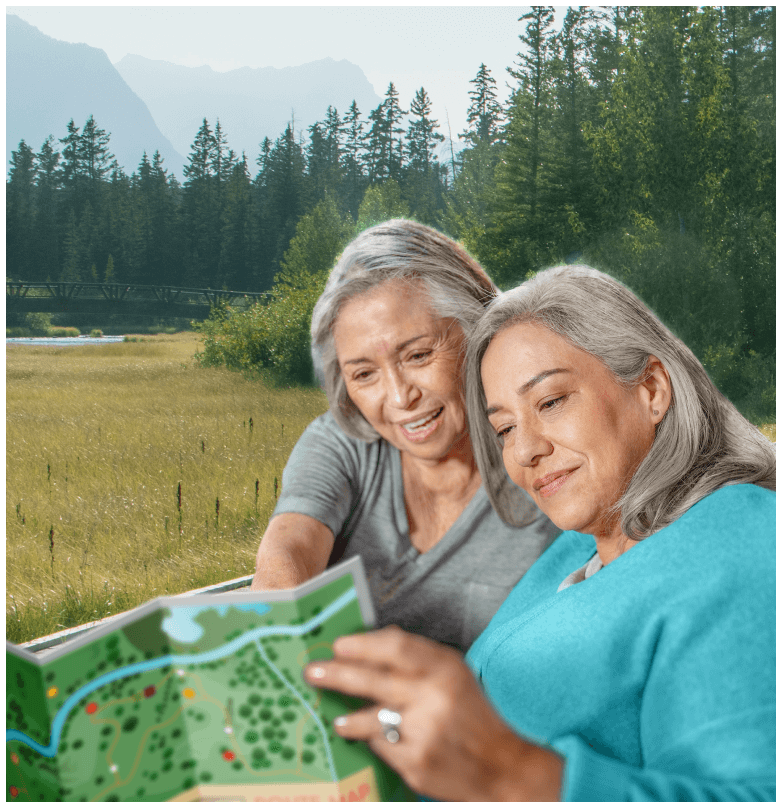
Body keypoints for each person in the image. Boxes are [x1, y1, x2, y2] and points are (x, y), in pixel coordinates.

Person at [303, 264, 775, 801]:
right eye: (504, 428)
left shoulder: (740, 540)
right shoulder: (580, 547)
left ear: (651, 388)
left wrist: (511, 774)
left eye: (550, 401)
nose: (523, 451)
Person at [251, 219, 558, 653]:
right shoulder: (340, 444)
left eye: (418, 355)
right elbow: (288, 552)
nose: (399, 397)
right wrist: (278, 618)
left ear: (478, 334)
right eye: (364, 374)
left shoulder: (546, 456)